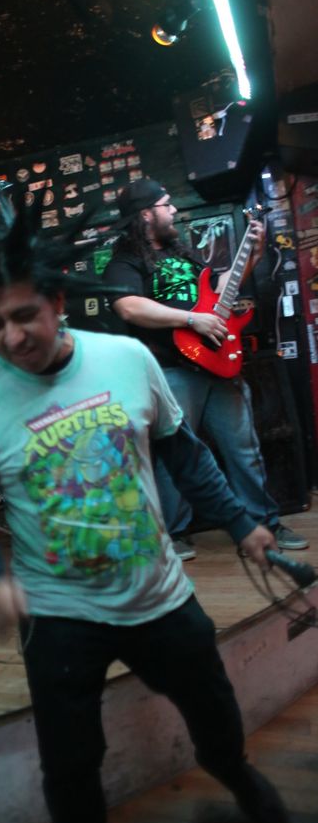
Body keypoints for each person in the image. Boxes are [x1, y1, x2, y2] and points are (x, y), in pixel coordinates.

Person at [0, 197, 288, 823]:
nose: (12, 338)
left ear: (59, 302)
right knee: (70, 767)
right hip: (59, 618)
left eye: (25, 316)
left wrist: (240, 523)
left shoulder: (127, 360)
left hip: (159, 597)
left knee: (214, 715)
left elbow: (184, 455)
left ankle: (245, 788)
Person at [103, 178, 307, 561]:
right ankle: (176, 532)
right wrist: (190, 319)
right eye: (167, 204)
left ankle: (263, 524)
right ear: (145, 214)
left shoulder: (185, 255)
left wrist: (251, 254)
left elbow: (221, 288)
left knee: (245, 449)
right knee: (178, 454)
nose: (174, 210)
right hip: (172, 370)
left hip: (218, 363)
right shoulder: (124, 262)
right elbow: (128, 307)